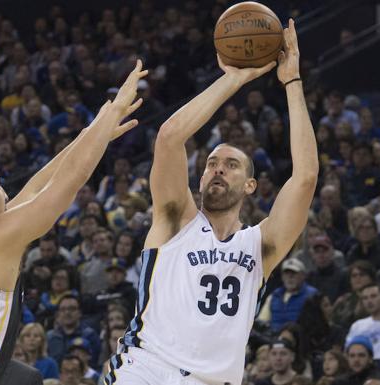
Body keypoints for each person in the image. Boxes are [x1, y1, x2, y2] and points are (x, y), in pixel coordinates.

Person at [106, 20, 319, 385]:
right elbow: (170, 138)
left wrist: (292, 83)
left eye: (231, 165)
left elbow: (305, 178)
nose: (218, 170)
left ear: (251, 185)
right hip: (146, 369)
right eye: (211, 164)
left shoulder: (260, 246)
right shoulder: (176, 220)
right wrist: (233, 80)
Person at [0, 61, 147, 385]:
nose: (5, 191)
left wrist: (93, 136)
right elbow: (69, 180)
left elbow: (36, 185)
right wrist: (113, 109)